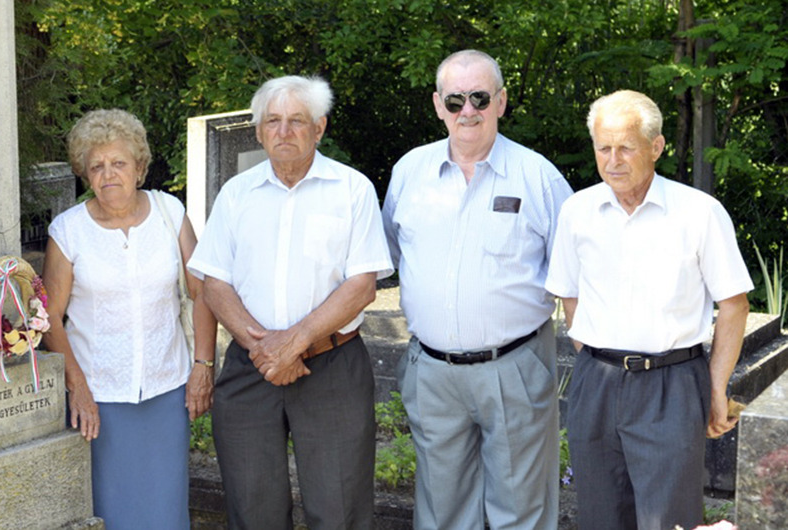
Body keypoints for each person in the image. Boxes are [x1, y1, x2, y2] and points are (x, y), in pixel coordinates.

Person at [187, 75, 393, 529]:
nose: (284, 131)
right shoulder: (236, 194)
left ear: (319, 128)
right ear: (259, 131)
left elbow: (362, 285)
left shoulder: (352, 189)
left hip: (332, 366)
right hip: (250, 368)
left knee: (340, 510)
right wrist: (264, 349)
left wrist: (293, 343)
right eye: (273, 121)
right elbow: (214, 283)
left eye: (297, 121)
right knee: (252, 508)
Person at [382, 49, 573, 530]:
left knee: (522, 513)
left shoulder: (539, 177)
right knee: (442, 514)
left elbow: (573, 273)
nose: (467, 110)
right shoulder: (409, 172)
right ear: (437, 105)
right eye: (455, 100)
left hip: (515, 368)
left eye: (480, 98)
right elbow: (395, 254)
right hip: (433, 373)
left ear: (501, 102)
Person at [546, 90, 752, 529]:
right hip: (596, 383)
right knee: (600, 518)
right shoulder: (577, 212)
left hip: (671, 386)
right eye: (604, 148)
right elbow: (569, 295)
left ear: (656, 147)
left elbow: (734, 304)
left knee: (669, 521)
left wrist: (716, 389)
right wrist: (596, 356)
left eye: (626, 147)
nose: (613, 160)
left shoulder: (699, 213)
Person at [41, 109, 216, 529]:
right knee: (113, 511)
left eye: (118, 163)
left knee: (166, 510)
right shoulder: (68, 231)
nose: (108, 175)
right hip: (100, 398)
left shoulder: (169, 211)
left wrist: (203, 365)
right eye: (96, 166)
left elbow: (202, 292)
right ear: (85, 174)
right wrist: (78, 387)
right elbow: (50, 317)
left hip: (167, 389)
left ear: (139, 167)